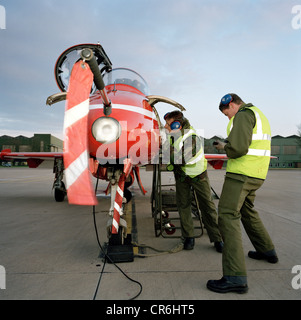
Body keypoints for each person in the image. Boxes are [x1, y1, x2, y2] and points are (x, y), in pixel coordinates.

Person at [207, 93, 278, 294]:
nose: (228, 117)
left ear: (231, 104)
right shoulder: (259, 114)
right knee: (247, 211)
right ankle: (266, 250)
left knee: (228, 216)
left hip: (241, 174)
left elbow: (238, 148)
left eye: (227, 113)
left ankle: (235, 277)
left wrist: (224, 147)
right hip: (257, 173)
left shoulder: (243, 115)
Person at [163, 110, 223, 252]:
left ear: (177, 124)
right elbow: (168, 155)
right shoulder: (172, 136)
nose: (165, 127)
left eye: (168, 124)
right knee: (183, 206)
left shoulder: (191, 136)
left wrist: (168, 148)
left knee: (207, 207)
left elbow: (181, 158)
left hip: (198, 176)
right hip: (182, 176)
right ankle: (188, 237)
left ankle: (217, 238)